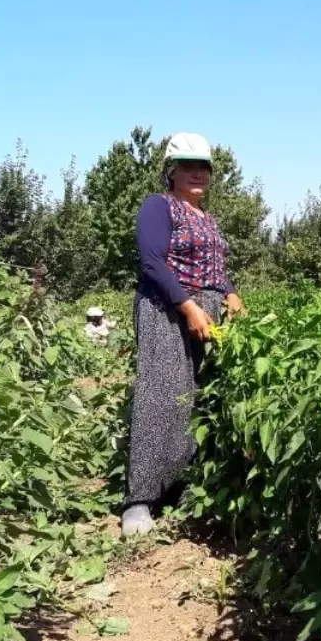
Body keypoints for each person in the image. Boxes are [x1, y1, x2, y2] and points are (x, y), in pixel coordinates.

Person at [122, 132, 245, 537]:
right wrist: (188, 306)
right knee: (161, 393)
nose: (197, 173)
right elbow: (153, 262)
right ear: (171, 171)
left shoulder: (208, 219)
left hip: (205, 312)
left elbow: (215, 268)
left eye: (204, 167)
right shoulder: (159, 207)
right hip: (167, 309)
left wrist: (229, 293)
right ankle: (139, 500)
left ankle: (180, 490)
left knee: (198, 398)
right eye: (188, 166)